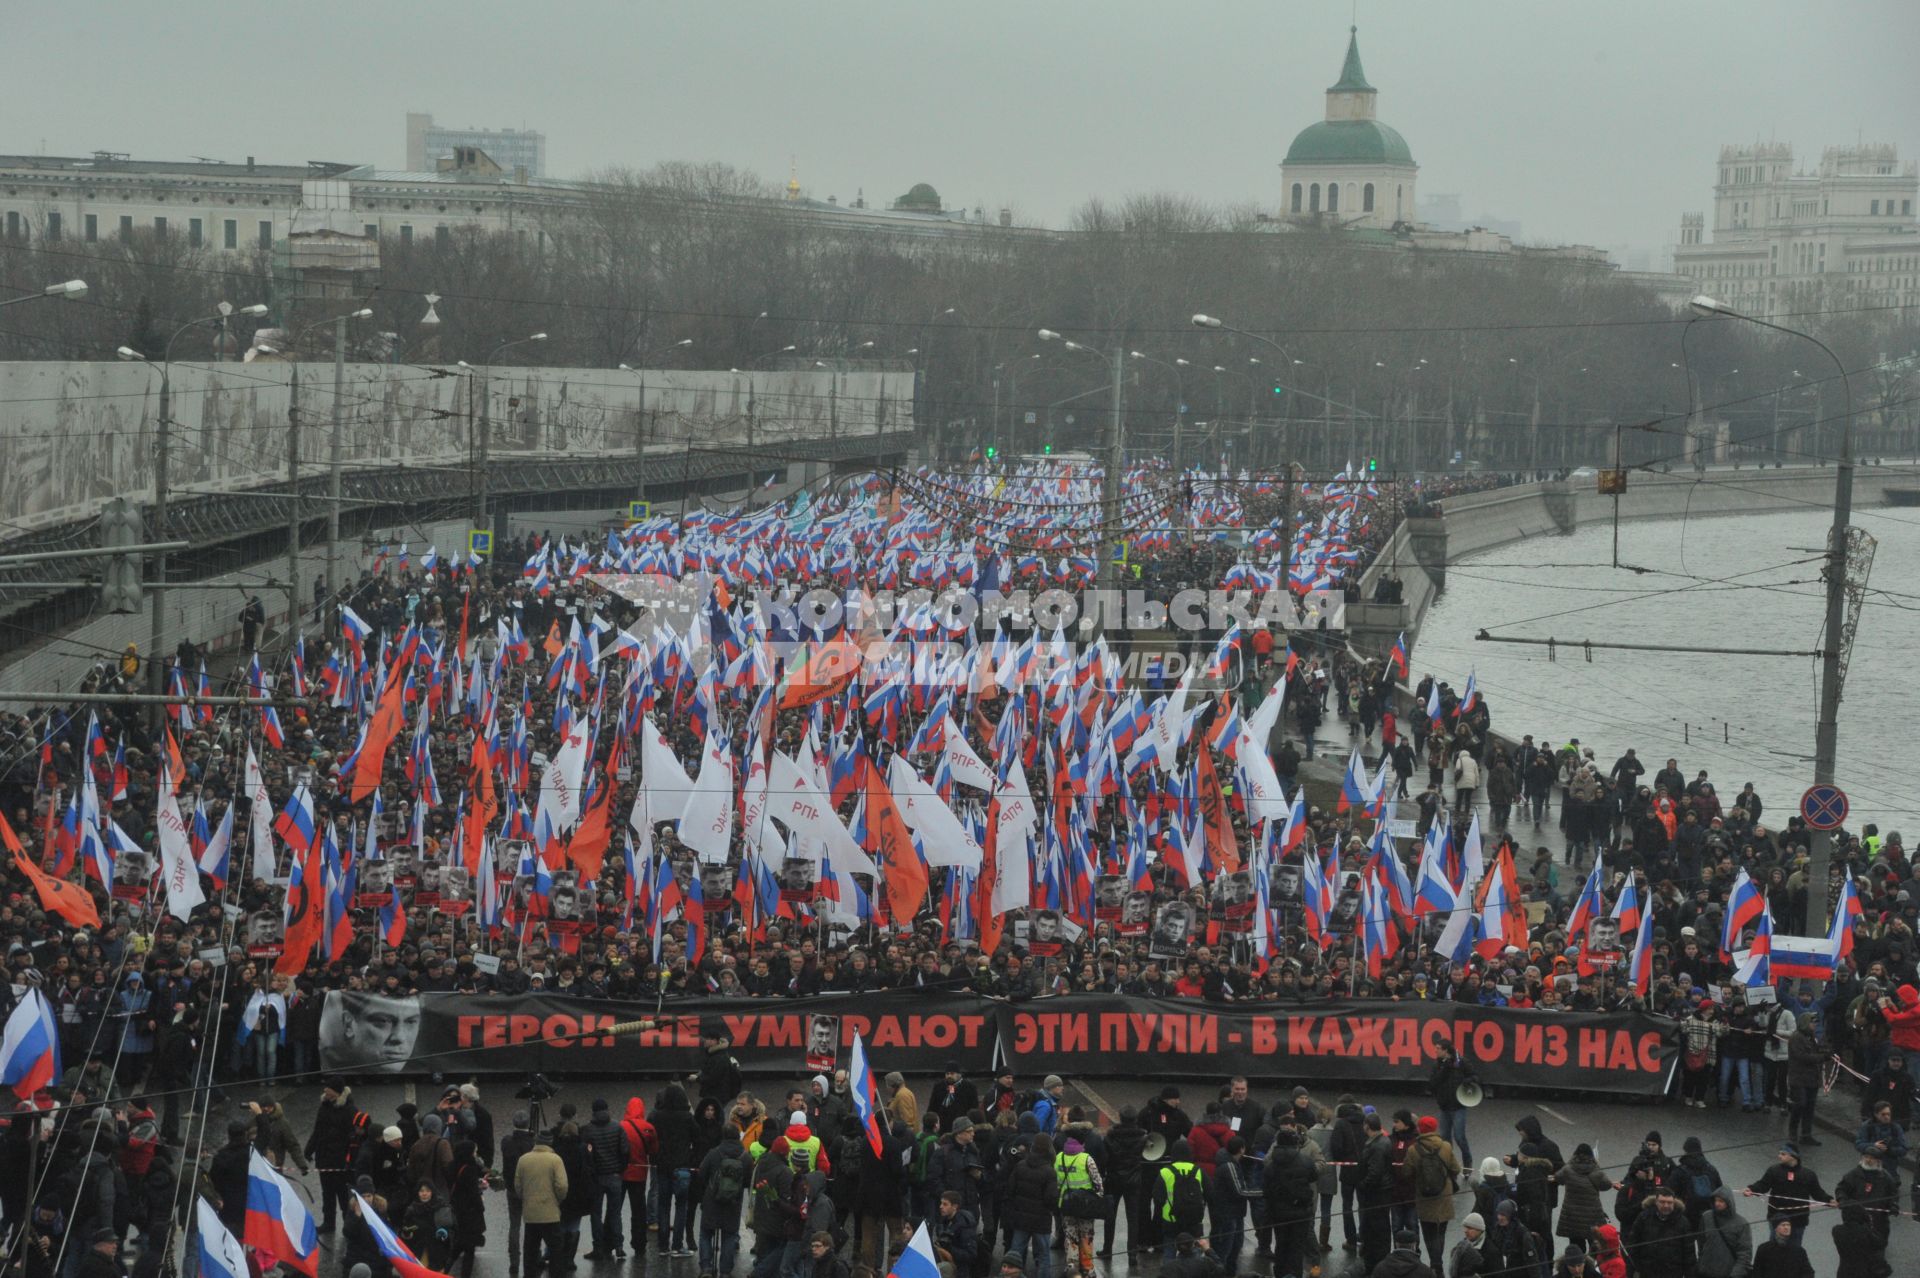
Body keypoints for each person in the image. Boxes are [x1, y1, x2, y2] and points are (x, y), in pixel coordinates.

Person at [306, 1075, 365, 1234]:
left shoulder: (351, 1110)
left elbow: (356, 1138)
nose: (325, 1091)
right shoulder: (324, 1106)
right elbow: (317, 1130)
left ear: (337, 1092)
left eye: (329, 1089)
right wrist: (309, 1149)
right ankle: (328, 1223)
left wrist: (351, 1159)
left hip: (341, 1163)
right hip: (324, 1159)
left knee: (344, 1196)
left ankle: (348, 1225)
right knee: (328, 1194)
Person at [1403, 1114, 1460, 1273]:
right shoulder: (1446, 1146)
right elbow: (1456, 1169)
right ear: (1435, 1128)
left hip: (1424, 1195)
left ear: (1420, 1129)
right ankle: (1437, 1264)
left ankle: (1436, 1264)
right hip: (1444, 1195)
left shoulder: (1414, 1149)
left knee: (1429, 1234)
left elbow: (1406, 1172)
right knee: (1441, 1231)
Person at [1742, 1143, 1827, 1248]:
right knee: (1774, 1249)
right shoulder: (1774, 1170)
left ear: (1793, 1156)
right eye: (1779, 1153)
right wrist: (1751, 1189)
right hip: (1777, 1218)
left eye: (1783, 1154)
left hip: (1798, 1220)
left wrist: (1830, 1201)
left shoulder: (1808, 1175)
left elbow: (1817, 1193)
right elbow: (1763, 1185)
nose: (1779, 1156)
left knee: (1794, 1251)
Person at [515, 1129, 569, 1278]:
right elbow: (562, 1186)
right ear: (550, 1143)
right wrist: (558, 1200)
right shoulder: (555, 1160)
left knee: (530, 1251)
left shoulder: (523, 1159)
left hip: (531, 1214)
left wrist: (526, 1200)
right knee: (556, 1251)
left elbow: (518, 1186)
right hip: (550, 1213)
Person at [1694, 1186, 1750, 1278]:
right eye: (1716, 1200)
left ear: (1729, 1202)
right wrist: (1701, 1264)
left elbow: (1744, 1254)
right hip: (1705, 1273)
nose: (1717, 1204)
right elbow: (1701, 1244)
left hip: (1728, 1274)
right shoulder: (1706, 1217)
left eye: (1721, 1201)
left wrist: (1735, 1275)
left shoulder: (1742, 1224)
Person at [1749, 1217, 1813, 1278]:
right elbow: (1757, 1272)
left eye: (1788, 1225)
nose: (1786, 1227)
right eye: (1783, 1225)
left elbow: (1808, 1272)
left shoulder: (1799, 1251)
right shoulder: (1764, 1249)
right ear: (1776, 1228)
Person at [1448, 1213, 1485, 1278]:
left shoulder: (1491, 1251)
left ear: (1479, 1230)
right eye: (1465, 1227)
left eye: (1470, 1228)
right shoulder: (1460, 1247)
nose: (1465, 1231)